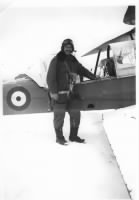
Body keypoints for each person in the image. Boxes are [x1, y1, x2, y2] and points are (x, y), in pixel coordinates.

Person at [47, 39, 96, 145]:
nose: (68, 49)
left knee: (75, 114)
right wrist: (54, 92)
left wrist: (94, 77)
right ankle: (59, 137)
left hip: (71, 93)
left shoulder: (73, 60)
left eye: (70, 47)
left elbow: (82, 70)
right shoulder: (56, 60)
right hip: (59, 94)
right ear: (62, 48)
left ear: (72, 49)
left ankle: (73, 136)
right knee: (59, 116)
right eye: (66, 47)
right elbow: (50, 78)